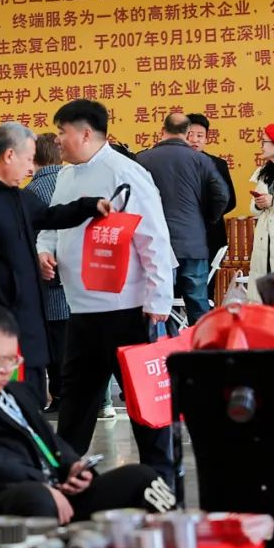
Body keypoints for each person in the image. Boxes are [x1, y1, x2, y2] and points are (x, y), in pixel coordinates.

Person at [0, 303, 176, 522]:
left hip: (52, 489)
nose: (7, 370)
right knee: (37, 499)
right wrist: (40, 481)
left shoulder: (11, 391)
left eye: (13, 360)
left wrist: (72, 466)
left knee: (142, 478)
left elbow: (49, 439)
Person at [37, 99, 177, 486]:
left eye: (62, 132)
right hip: (81, 309)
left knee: (140, 402)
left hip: (128, 309)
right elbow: (52, 223)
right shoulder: (66, 175)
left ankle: (161, 482)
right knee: (76, 402)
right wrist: (44, 250)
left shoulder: (125, 172)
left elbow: (153, 238)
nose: (57, 140)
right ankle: (65, 480)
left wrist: (158, 300)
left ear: (85, 133)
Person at [0, 123, 108, 405]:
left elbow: (49, 216)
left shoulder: (16, 195)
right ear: (9, 155)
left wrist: (90, 206)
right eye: (28, 160)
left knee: (32, 402)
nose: (30, 169)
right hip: (3, 333)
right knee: (11, 408)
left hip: (29, 325)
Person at [137, 113, 230, 330]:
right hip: (193, 243)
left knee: (156, 305)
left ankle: (159, 349)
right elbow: (222, 196)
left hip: (155, 245)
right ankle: (204, 348)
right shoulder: (201, 159)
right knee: (198, 305)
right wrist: (206, 220)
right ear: (188, 133)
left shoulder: (142, 159)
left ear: (162, 131)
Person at [24, 133, 70, 414]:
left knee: (55, 340)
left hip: (48, 277)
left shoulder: (31, 193)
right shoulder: (72, 183)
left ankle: (60, 396)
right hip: (77, 277)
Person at [187, 113, 237, 296]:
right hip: (180, 236)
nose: (195, 140)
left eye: (200, 135)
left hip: (211, 235)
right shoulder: (173, 164)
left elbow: (230, 200)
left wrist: (207, 214)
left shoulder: (218, 164)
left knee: (206, 289)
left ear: (207, 138)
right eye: (190, 134)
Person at [248, 125, 274, 303]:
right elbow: (252, 209)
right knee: (263, 296)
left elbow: (273, 201)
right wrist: (258, 204)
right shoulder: (263, 173)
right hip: (265, 240)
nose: (261, 146)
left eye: (264, 142)